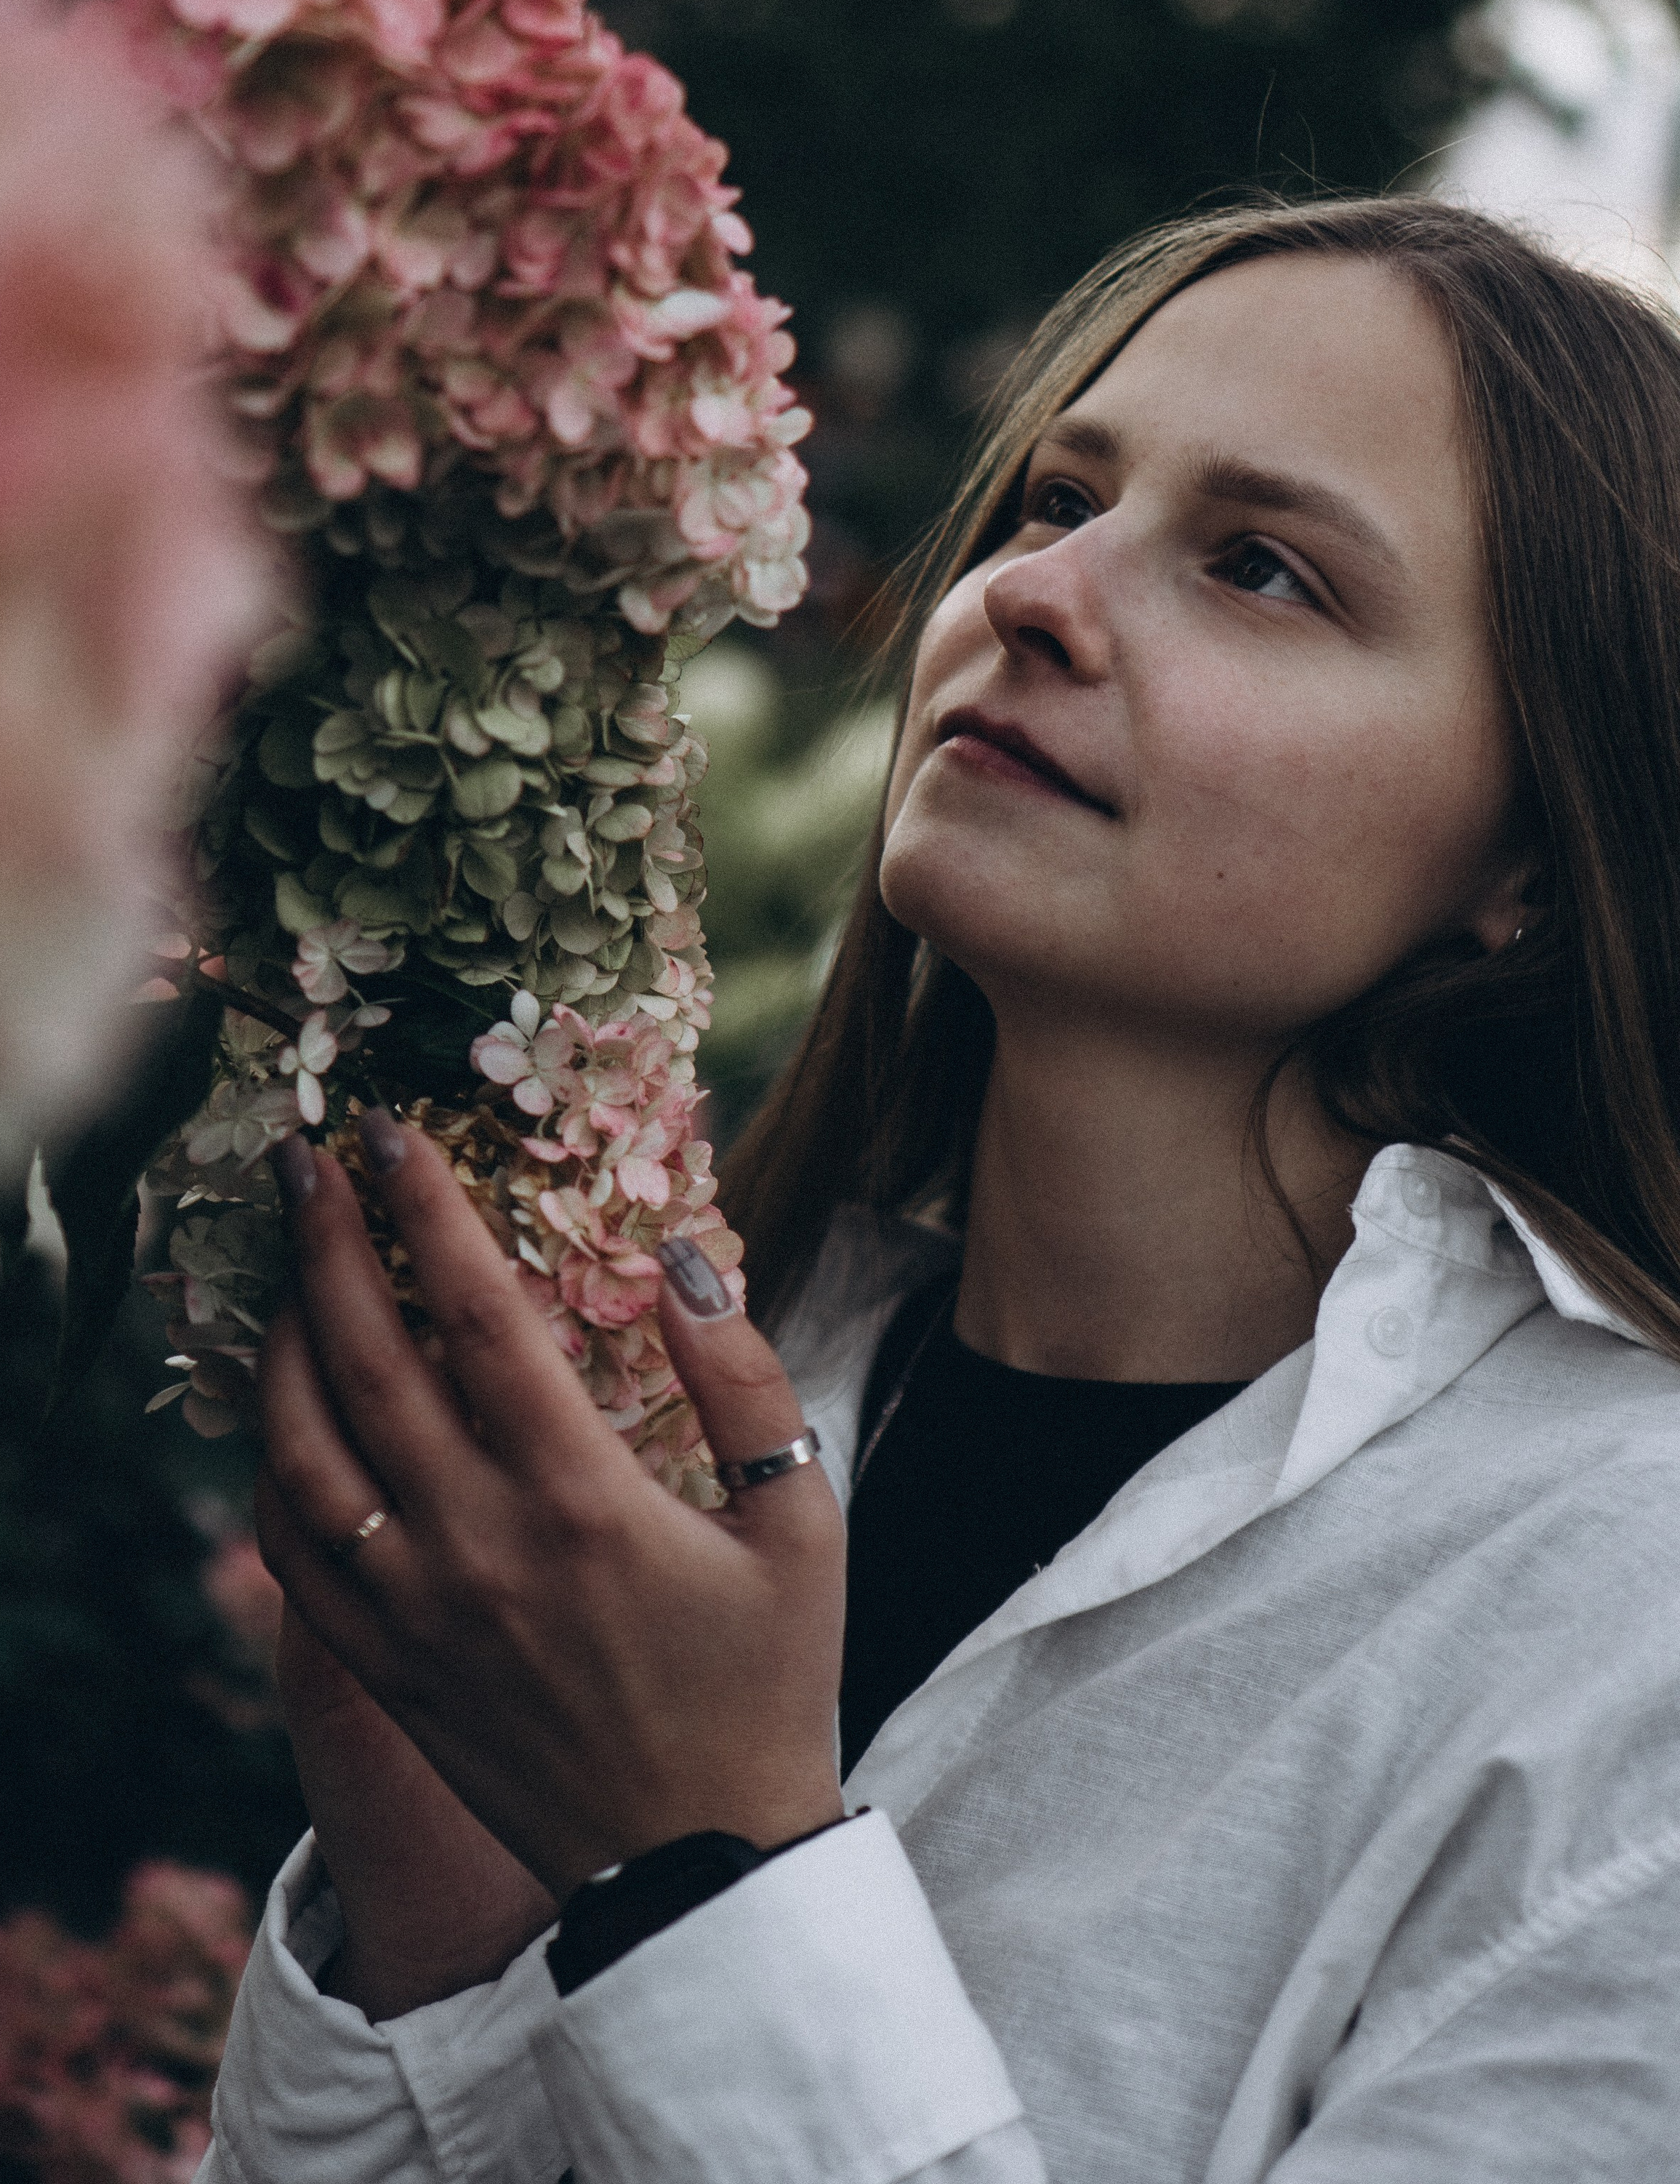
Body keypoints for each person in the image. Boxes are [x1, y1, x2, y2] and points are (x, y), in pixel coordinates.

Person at [200, 196, 1680, 2184]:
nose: (1040, 592)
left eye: (1261, 567)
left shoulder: (1622, 1621)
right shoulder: (694, 1370)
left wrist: (708, 1861)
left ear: (1531, 851)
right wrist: (432, 1923)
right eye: (1057, 495)